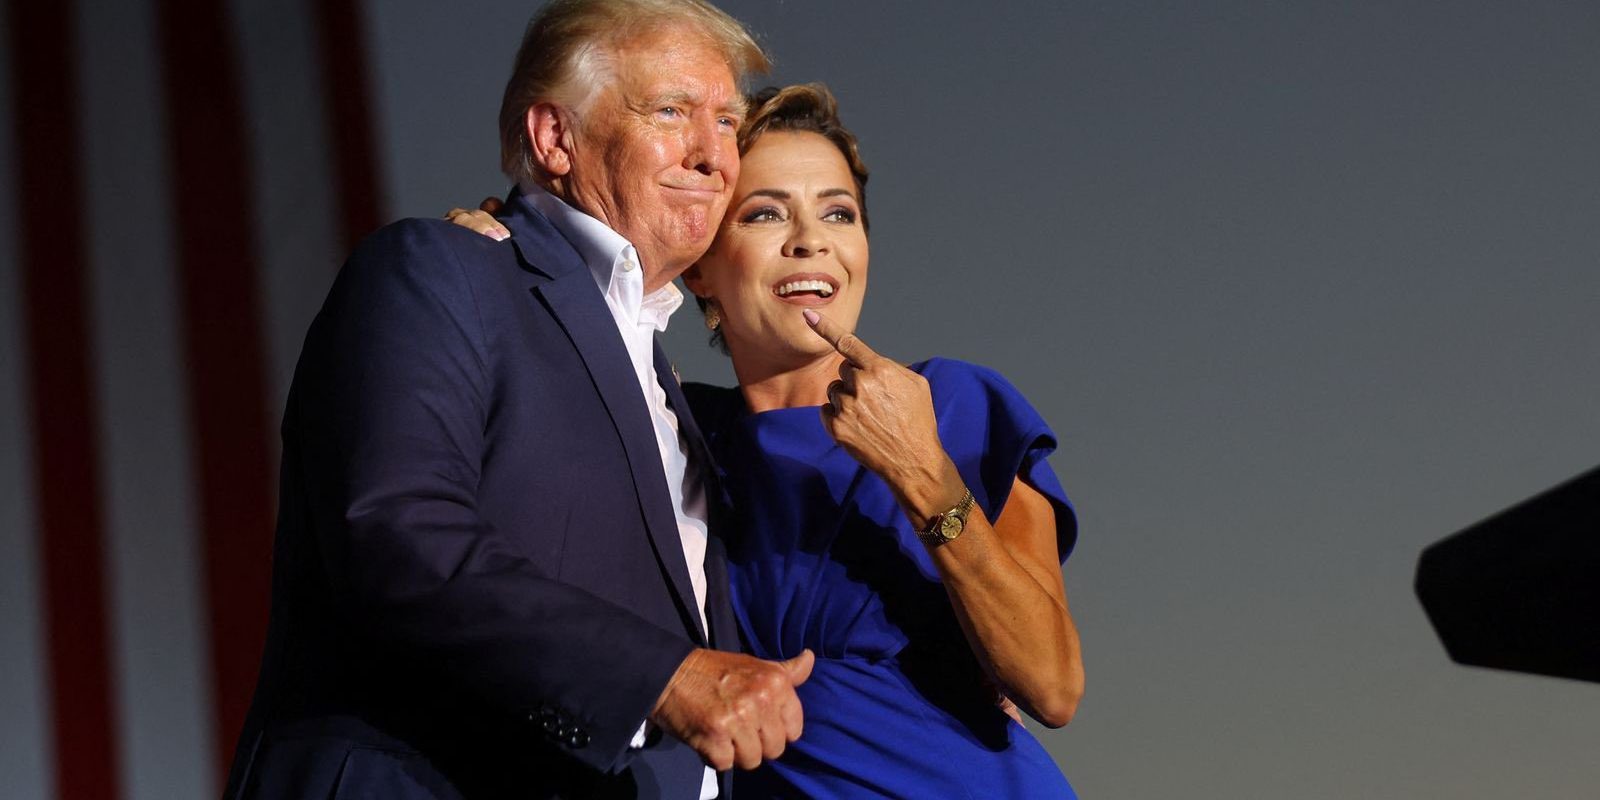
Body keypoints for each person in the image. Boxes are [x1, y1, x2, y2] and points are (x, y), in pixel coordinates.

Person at [225, 2, 817, 798]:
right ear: (554, 139)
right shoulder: (442, 270)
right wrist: (662, 676)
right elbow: (395, 531)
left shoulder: (671, 389)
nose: (713, 155)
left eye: (727, 123)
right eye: (672, 112)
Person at [454, 84, 1084, 798]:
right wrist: (500, 265)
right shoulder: (669, 435)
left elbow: (1052, 685)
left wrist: (923, 474)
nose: (811, 240)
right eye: (764, 213)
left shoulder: (953, 405)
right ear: (699, 264)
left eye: (838, 213)